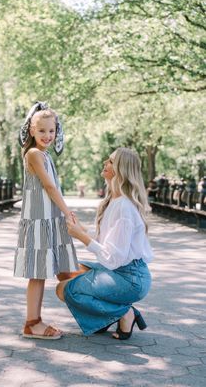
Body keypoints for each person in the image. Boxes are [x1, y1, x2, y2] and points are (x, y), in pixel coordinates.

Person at [56, 147, 153, 339]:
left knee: (64, 290)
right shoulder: (113, 201)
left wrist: (81, 237)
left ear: (121, 170)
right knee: (64, 272)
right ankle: (102, 318)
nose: (105, 163)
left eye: (110, 161)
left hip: (130, 278)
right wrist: (81, 229)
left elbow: (112, 258)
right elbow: (107, 242)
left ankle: (125, 313)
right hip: (121, 271)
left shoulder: (124, 207)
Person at [14, 102, 78, 340]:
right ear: (32, 130)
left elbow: (53, 186)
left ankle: (93, 312)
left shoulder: (45, 155)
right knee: (37, 273)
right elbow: (49, 187)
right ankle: (32, 322)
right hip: (38, 220)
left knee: (52, 270)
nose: (47, 135)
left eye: (51, 131)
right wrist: (68, 212)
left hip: (48, 220)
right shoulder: (32, 154)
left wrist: (61, 215)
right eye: (42, 131)